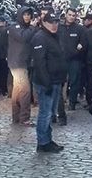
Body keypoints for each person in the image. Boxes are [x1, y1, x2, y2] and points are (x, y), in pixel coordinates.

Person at [31, 13, 67, 153]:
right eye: (51, 22)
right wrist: (46, 83)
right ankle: (43, 142)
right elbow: (39, 64)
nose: (54, 24)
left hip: (56, 80)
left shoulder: (53, 36)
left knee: (50, 113)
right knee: (45, 113)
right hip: (46, 82)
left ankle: (47, 139)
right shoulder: (39, 37)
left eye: (56, 22)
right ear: (44, 22)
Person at [7, 7, 37, 125]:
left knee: (17, 90)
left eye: (29, 15)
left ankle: (17, 117)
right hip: (18, 63)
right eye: (25, 15)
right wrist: (33, 27)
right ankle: (24, 118)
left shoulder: (27, 28)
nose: (27, 17)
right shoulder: (15, 27)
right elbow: (23, 38)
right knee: (25, 90)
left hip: (22, 62)